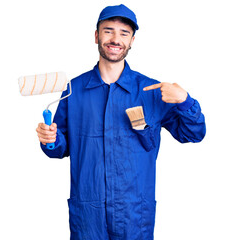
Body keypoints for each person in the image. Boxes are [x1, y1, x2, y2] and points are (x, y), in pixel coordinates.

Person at [36, 4, 206, 240]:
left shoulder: (152, 91)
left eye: (124, 33)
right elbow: (60, 148)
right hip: (88, 216)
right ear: (96, 35)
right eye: (108, 30)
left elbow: (193, 134)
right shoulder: (73, 91)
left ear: (132, 40)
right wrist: (51, 140)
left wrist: (185, 101)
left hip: (135, 216)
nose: (115, 39)